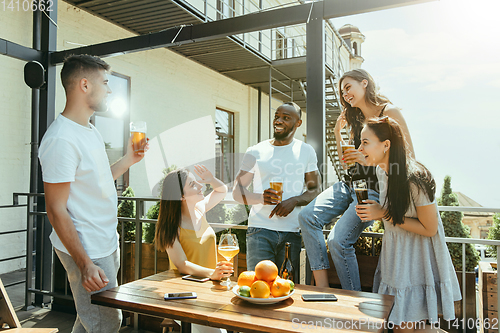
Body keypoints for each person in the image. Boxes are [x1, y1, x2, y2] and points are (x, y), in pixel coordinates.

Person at [39, 54, 146, 333]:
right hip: (88, 249)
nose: (110, 90)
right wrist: (85, 263)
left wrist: (128, 160)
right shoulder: (61, 139)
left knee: (89, 320)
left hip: (106, 243)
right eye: (106, 82)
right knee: (107, 323)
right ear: (84, 85)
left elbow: (98, 180)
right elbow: (55, 209)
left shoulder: (89, 130)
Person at [298, 68, 414, 290]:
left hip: (372, 190)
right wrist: (336, 133)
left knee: (337, 241)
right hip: (349, 184)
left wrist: (367, 158)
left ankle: (354, 298)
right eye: (342, 92)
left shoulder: (389, 113)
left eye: (348, 87)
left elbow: (408, 158)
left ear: (364, 83)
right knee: (307, 216)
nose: (345, 94)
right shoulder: (355, 117)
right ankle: (322, 289)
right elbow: (349, 161)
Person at [355, 116, 461, 330]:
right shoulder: (381, 172)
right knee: (402, 326)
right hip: (395, 259)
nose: (360, 147)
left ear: (386, 145)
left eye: (365, 142)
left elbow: (430, 228)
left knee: (407, 326)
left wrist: (383, 213)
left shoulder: (416, 178)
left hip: (417, 260)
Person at [232, 102, 321, 279]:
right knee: (259, 286)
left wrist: (295, 200)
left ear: (298, 123)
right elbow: (237, 192)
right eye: (276, 116)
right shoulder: (255, 151)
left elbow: (315, 189)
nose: (278, 121)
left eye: (286, 118)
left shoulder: (306, 151)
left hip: (292, 231)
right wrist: (260, 198)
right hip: (260, 230)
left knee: (286, 288)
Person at [154, 165, 232, 333]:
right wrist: (212, 273)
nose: (200, 186)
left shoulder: (200, 210)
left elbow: (222, 190)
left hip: (210, 289)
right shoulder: (171, 227)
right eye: (193, 184)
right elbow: (182, 264)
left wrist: (211, 179)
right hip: (186, 294)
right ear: (181, 196)